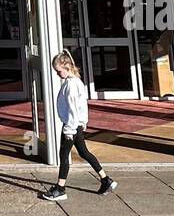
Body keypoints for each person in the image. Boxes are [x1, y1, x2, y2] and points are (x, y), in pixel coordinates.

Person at [39, 50, 117, 203]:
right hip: (76, 125)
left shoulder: (71, 85)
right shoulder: (76, 82)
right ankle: (105, 179)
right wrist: (83, 121)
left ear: (67, 67)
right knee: (84, 153)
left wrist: (70, 129)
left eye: (59, 71)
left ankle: (60, 188)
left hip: (71, 126)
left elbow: (73, 109)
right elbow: (82, 106)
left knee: (64, 155)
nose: (57, 74)